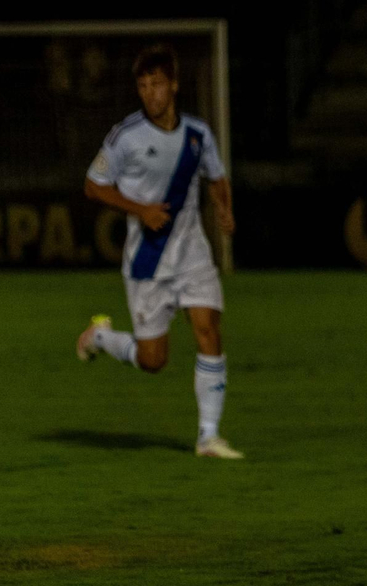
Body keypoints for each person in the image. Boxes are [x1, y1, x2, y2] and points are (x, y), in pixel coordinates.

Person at [75, 43, 243, 459]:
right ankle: (99, 335)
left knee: (209, 331)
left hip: (193, 255)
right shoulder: (125, 136)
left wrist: (224, 209)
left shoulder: (198, 135)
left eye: (157, 85)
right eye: (143, 86)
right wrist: (139, 210)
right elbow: (92, 186)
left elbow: (217, 177)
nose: (150, 94)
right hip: (148, 261)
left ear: (174, 86)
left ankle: (208, 436)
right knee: (153, 361)